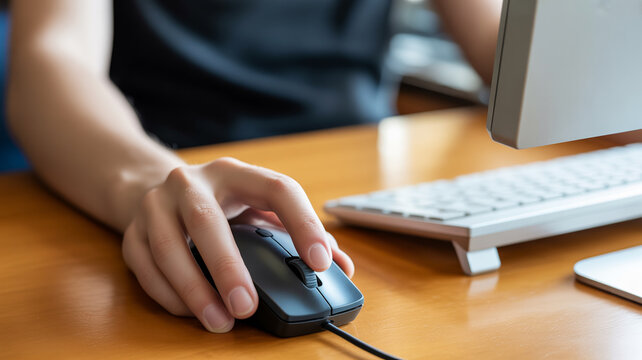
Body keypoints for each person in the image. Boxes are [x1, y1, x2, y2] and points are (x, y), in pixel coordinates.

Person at [7, 0, 501, 333]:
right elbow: (52, 59)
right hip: (160, 166)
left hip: (355, 191)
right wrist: (150, 181)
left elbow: (496, 39)